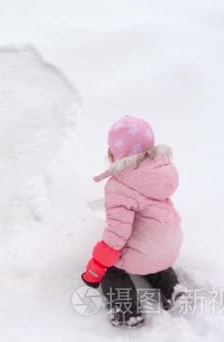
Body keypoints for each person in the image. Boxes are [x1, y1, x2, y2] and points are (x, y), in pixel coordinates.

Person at [81, 116, 187, 327]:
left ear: (114, 153)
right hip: (171, 247)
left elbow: (117, 234)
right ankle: (172, 289)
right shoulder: (161, 173)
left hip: (146, 253)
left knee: (112, 268)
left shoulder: (119, 186)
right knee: (155, 259)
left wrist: (98, 264)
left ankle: (127, 311)